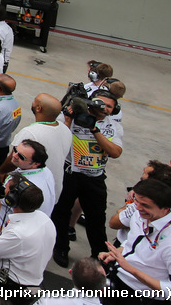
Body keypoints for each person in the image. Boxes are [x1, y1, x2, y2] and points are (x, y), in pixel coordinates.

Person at [52, 88, 123, 267]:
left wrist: (94, 129)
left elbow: (115, 152)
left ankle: (99, 253)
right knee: (61, 213)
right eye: (100, 103)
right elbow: (58, 139)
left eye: (109, 106)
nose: (104, 108)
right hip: (70, 174)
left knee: (97, 217)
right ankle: (61, 247)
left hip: (95, 177)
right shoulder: (72, 117)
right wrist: (68, 119)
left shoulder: (113, 126)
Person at [0, 181, 56, 292]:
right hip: (29, 285)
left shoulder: (18, 234)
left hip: (10, 286)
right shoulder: (44, 219)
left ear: (12, 200)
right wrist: (2, 230)